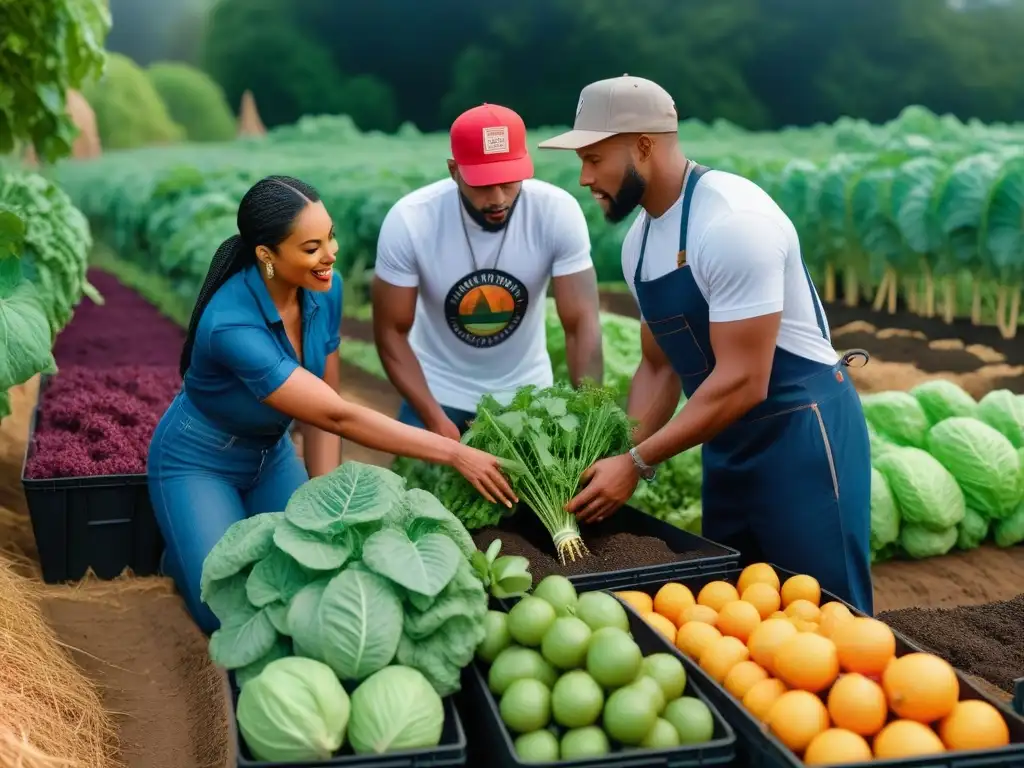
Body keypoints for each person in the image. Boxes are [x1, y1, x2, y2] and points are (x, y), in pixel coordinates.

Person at [541, 76, 874, 614]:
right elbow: (658, 368)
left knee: (829, 618)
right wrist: (608, 459)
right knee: (739, 615)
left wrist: (638, 462)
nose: (584, 178)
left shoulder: (733, 221)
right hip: (726, 444)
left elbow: (745, 379)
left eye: (594, 158)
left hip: (799, 436)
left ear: (643, 145)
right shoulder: (639, 242)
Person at [148, 175, 516, 633]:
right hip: (199, 459)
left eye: (331, 237)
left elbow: (324, 403)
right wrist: (456, 452)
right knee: (226, 609)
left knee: (308, 578)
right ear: (267, 256)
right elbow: (338, 415)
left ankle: (202, 535)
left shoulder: (326, 289)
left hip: (271, 456)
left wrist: (324, 509)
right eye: (311, 247)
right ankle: (180, 551)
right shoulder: (230, 324)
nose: (331, 254)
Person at [372, 103, 603, 438]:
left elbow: (581, 323)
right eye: (483, 184)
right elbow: (390, 331)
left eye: (509, 181)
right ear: (454, 171)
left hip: (528, 397)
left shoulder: (556, 212)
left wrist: (589, 416)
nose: (498, 198)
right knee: (412, 490)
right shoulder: (411, 220)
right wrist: (436, 422)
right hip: (436, 391)